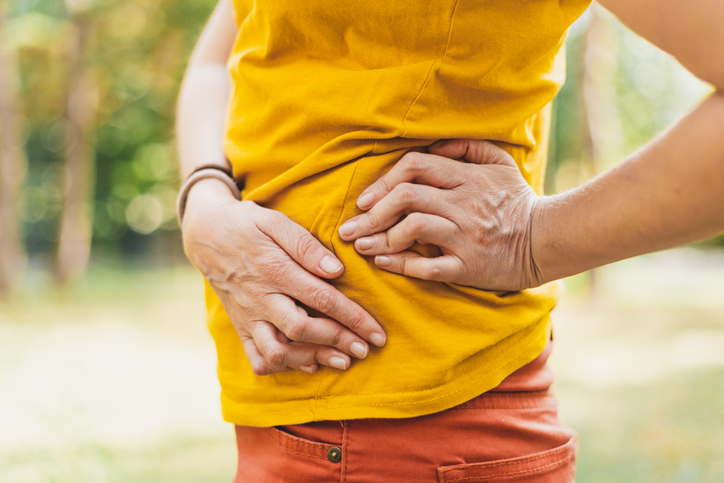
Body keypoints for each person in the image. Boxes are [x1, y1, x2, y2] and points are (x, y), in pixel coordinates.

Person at [175, 0, 724, 480]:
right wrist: (203, 199)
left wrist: (534, 240)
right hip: (282, 421)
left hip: (423, 430)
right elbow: (215, 60)